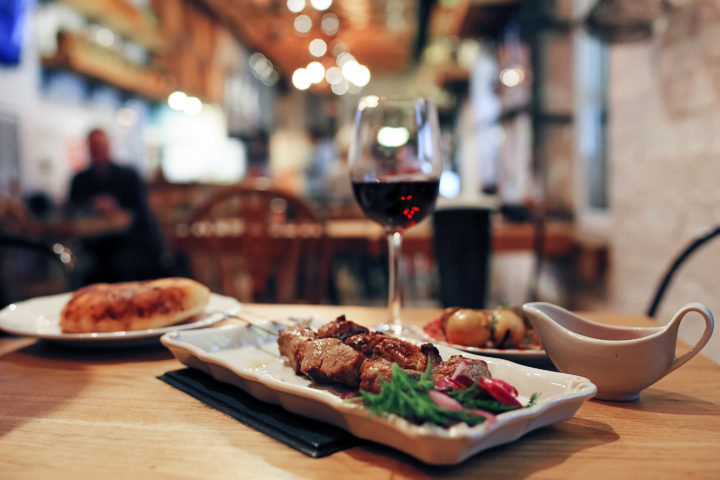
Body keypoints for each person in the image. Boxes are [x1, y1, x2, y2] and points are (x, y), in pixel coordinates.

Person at [68, 128, 164, 283]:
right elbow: (71, 209)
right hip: (93, 244)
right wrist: (91, 206)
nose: (97, 150)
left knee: (125, 261)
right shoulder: (80, 179)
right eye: (94, 146)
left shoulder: (128, 175)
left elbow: (141, 212)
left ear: (108, 146)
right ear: (88, 148)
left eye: (100, 145)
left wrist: (116, 209)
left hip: (128, 242)